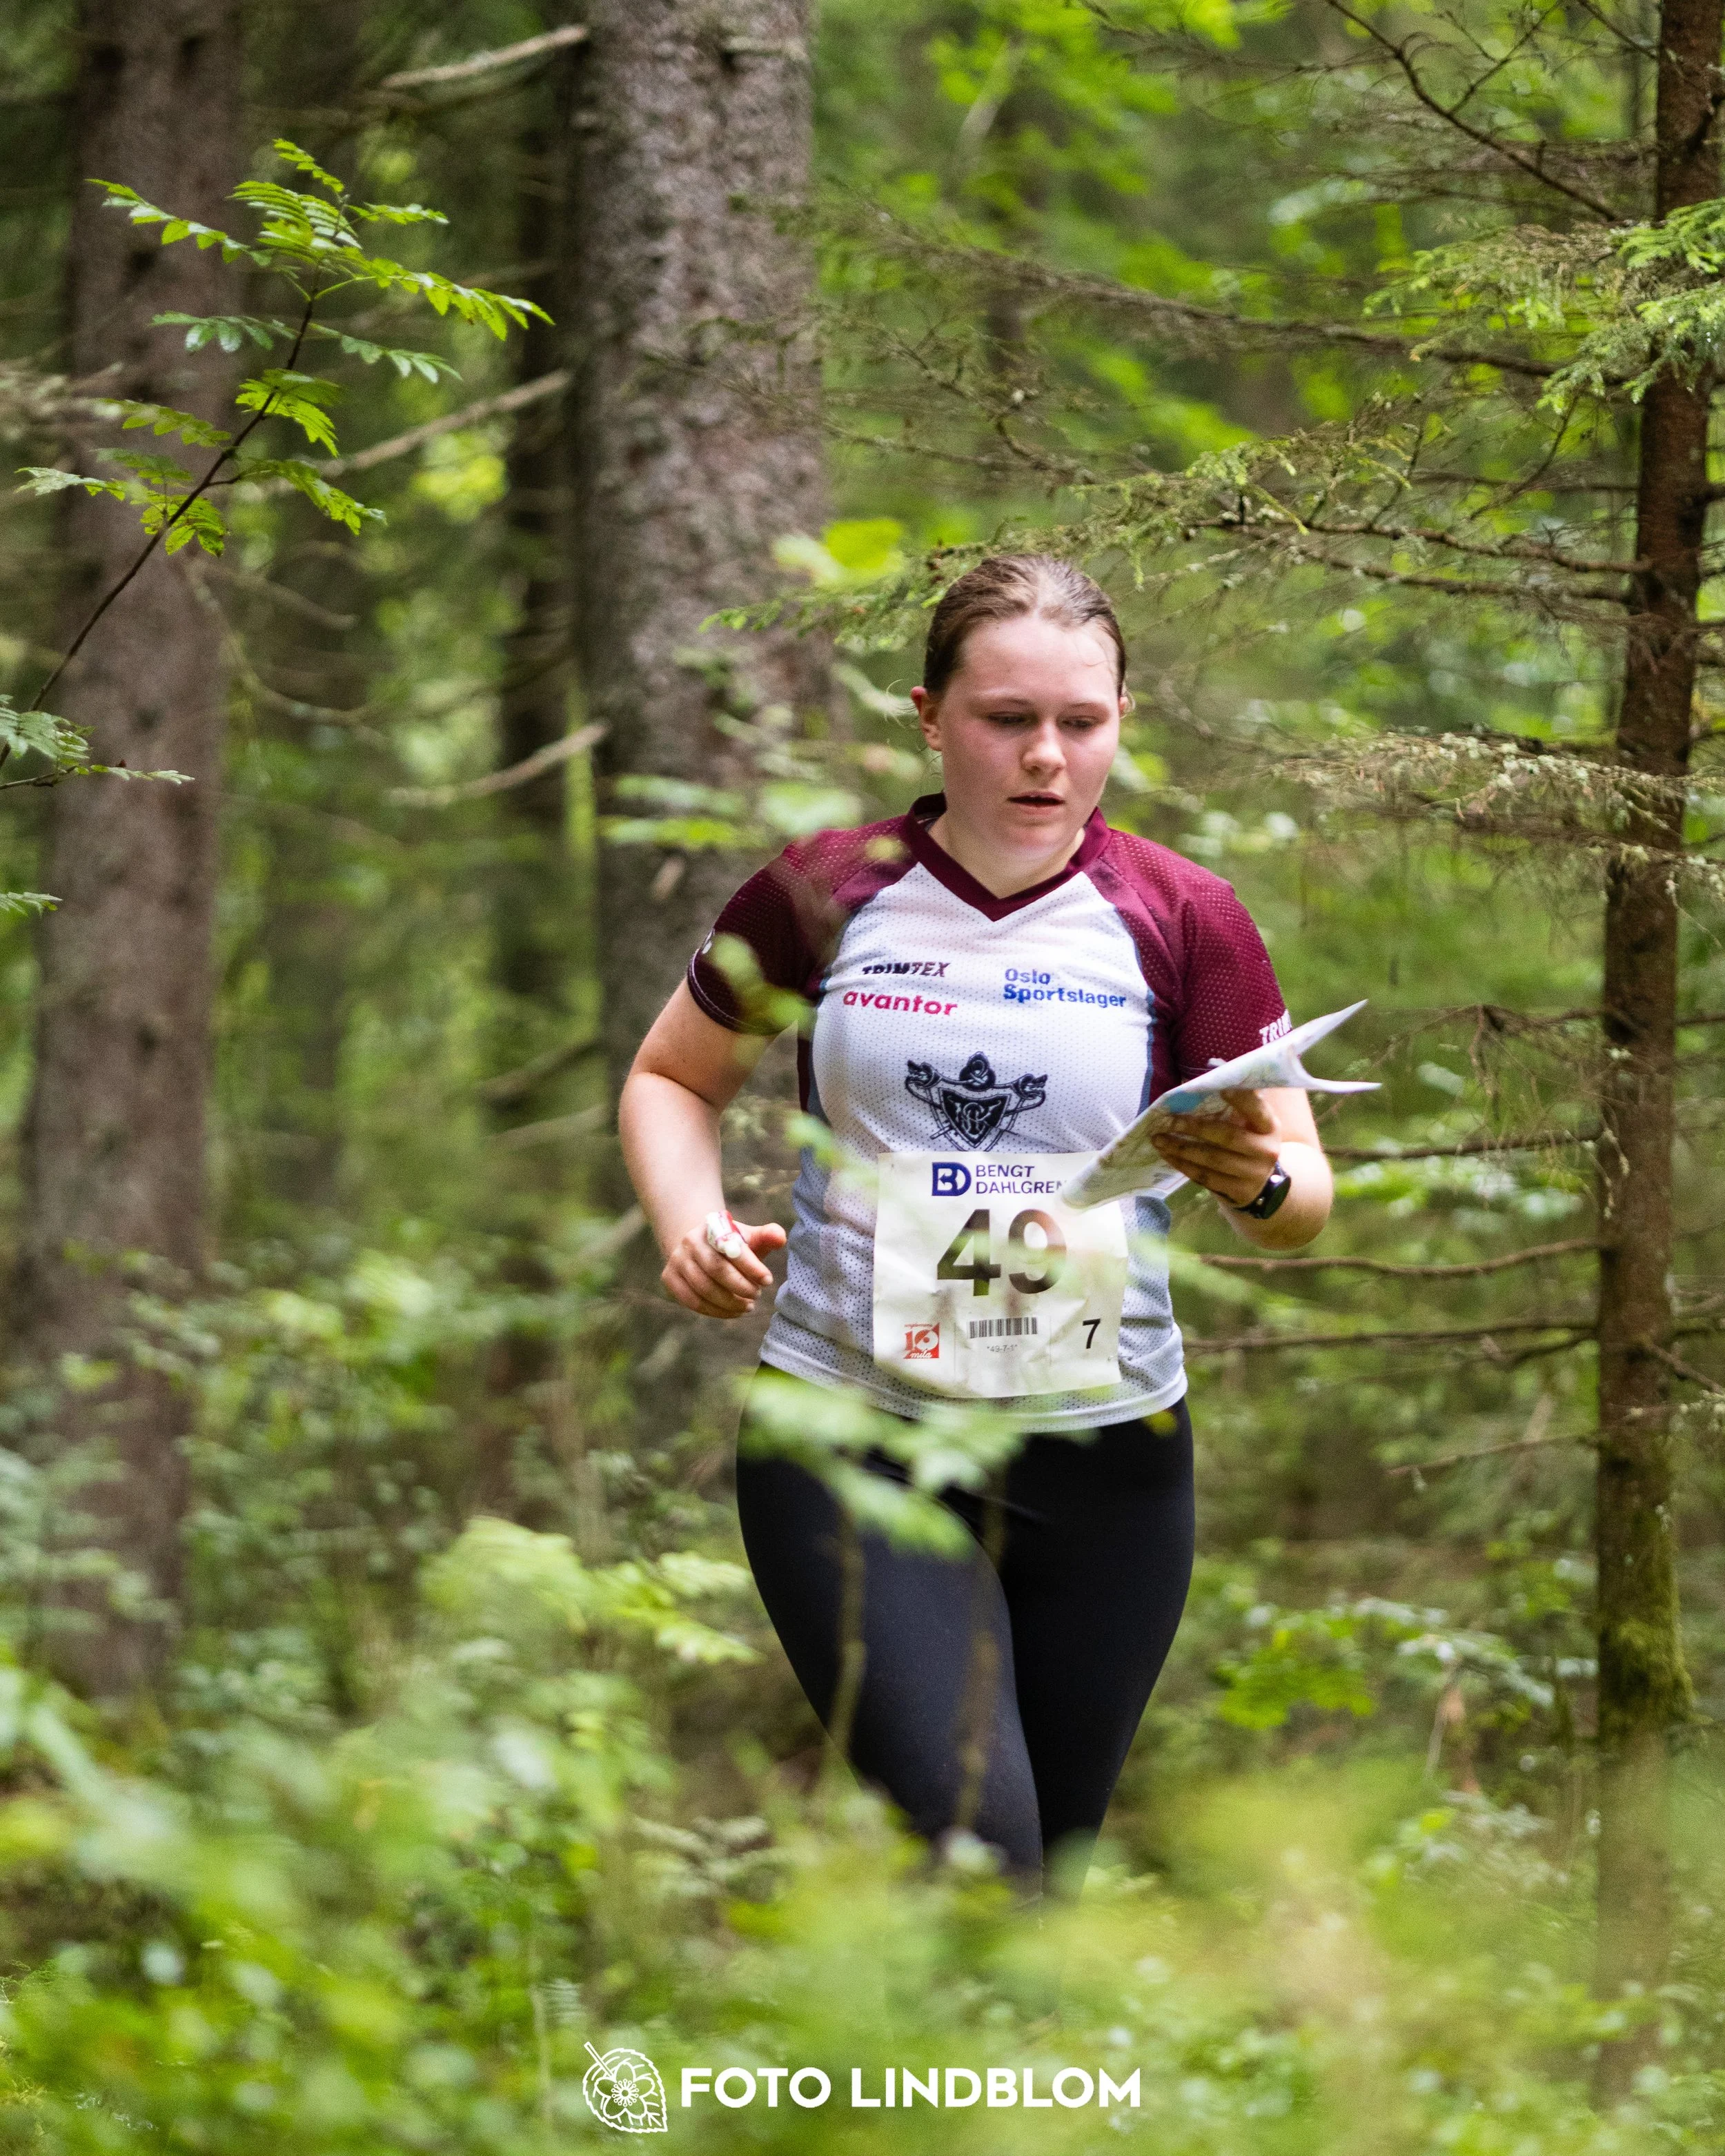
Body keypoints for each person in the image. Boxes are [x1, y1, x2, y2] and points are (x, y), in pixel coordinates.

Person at [619, 553, 1332, 1890]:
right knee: (975, 1849)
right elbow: (669, 1076)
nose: (1046, 756)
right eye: (1007, 718)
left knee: (1041, 1885)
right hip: (853, 1441)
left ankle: (940, 2097)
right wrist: (689, 1220)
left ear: (1122, 719)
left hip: (1107, 1456)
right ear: (928, 716)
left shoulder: (1184, 916)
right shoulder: (827, 890)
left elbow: (1298, 1191)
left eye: (1083, 721)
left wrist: (1256, 1184)